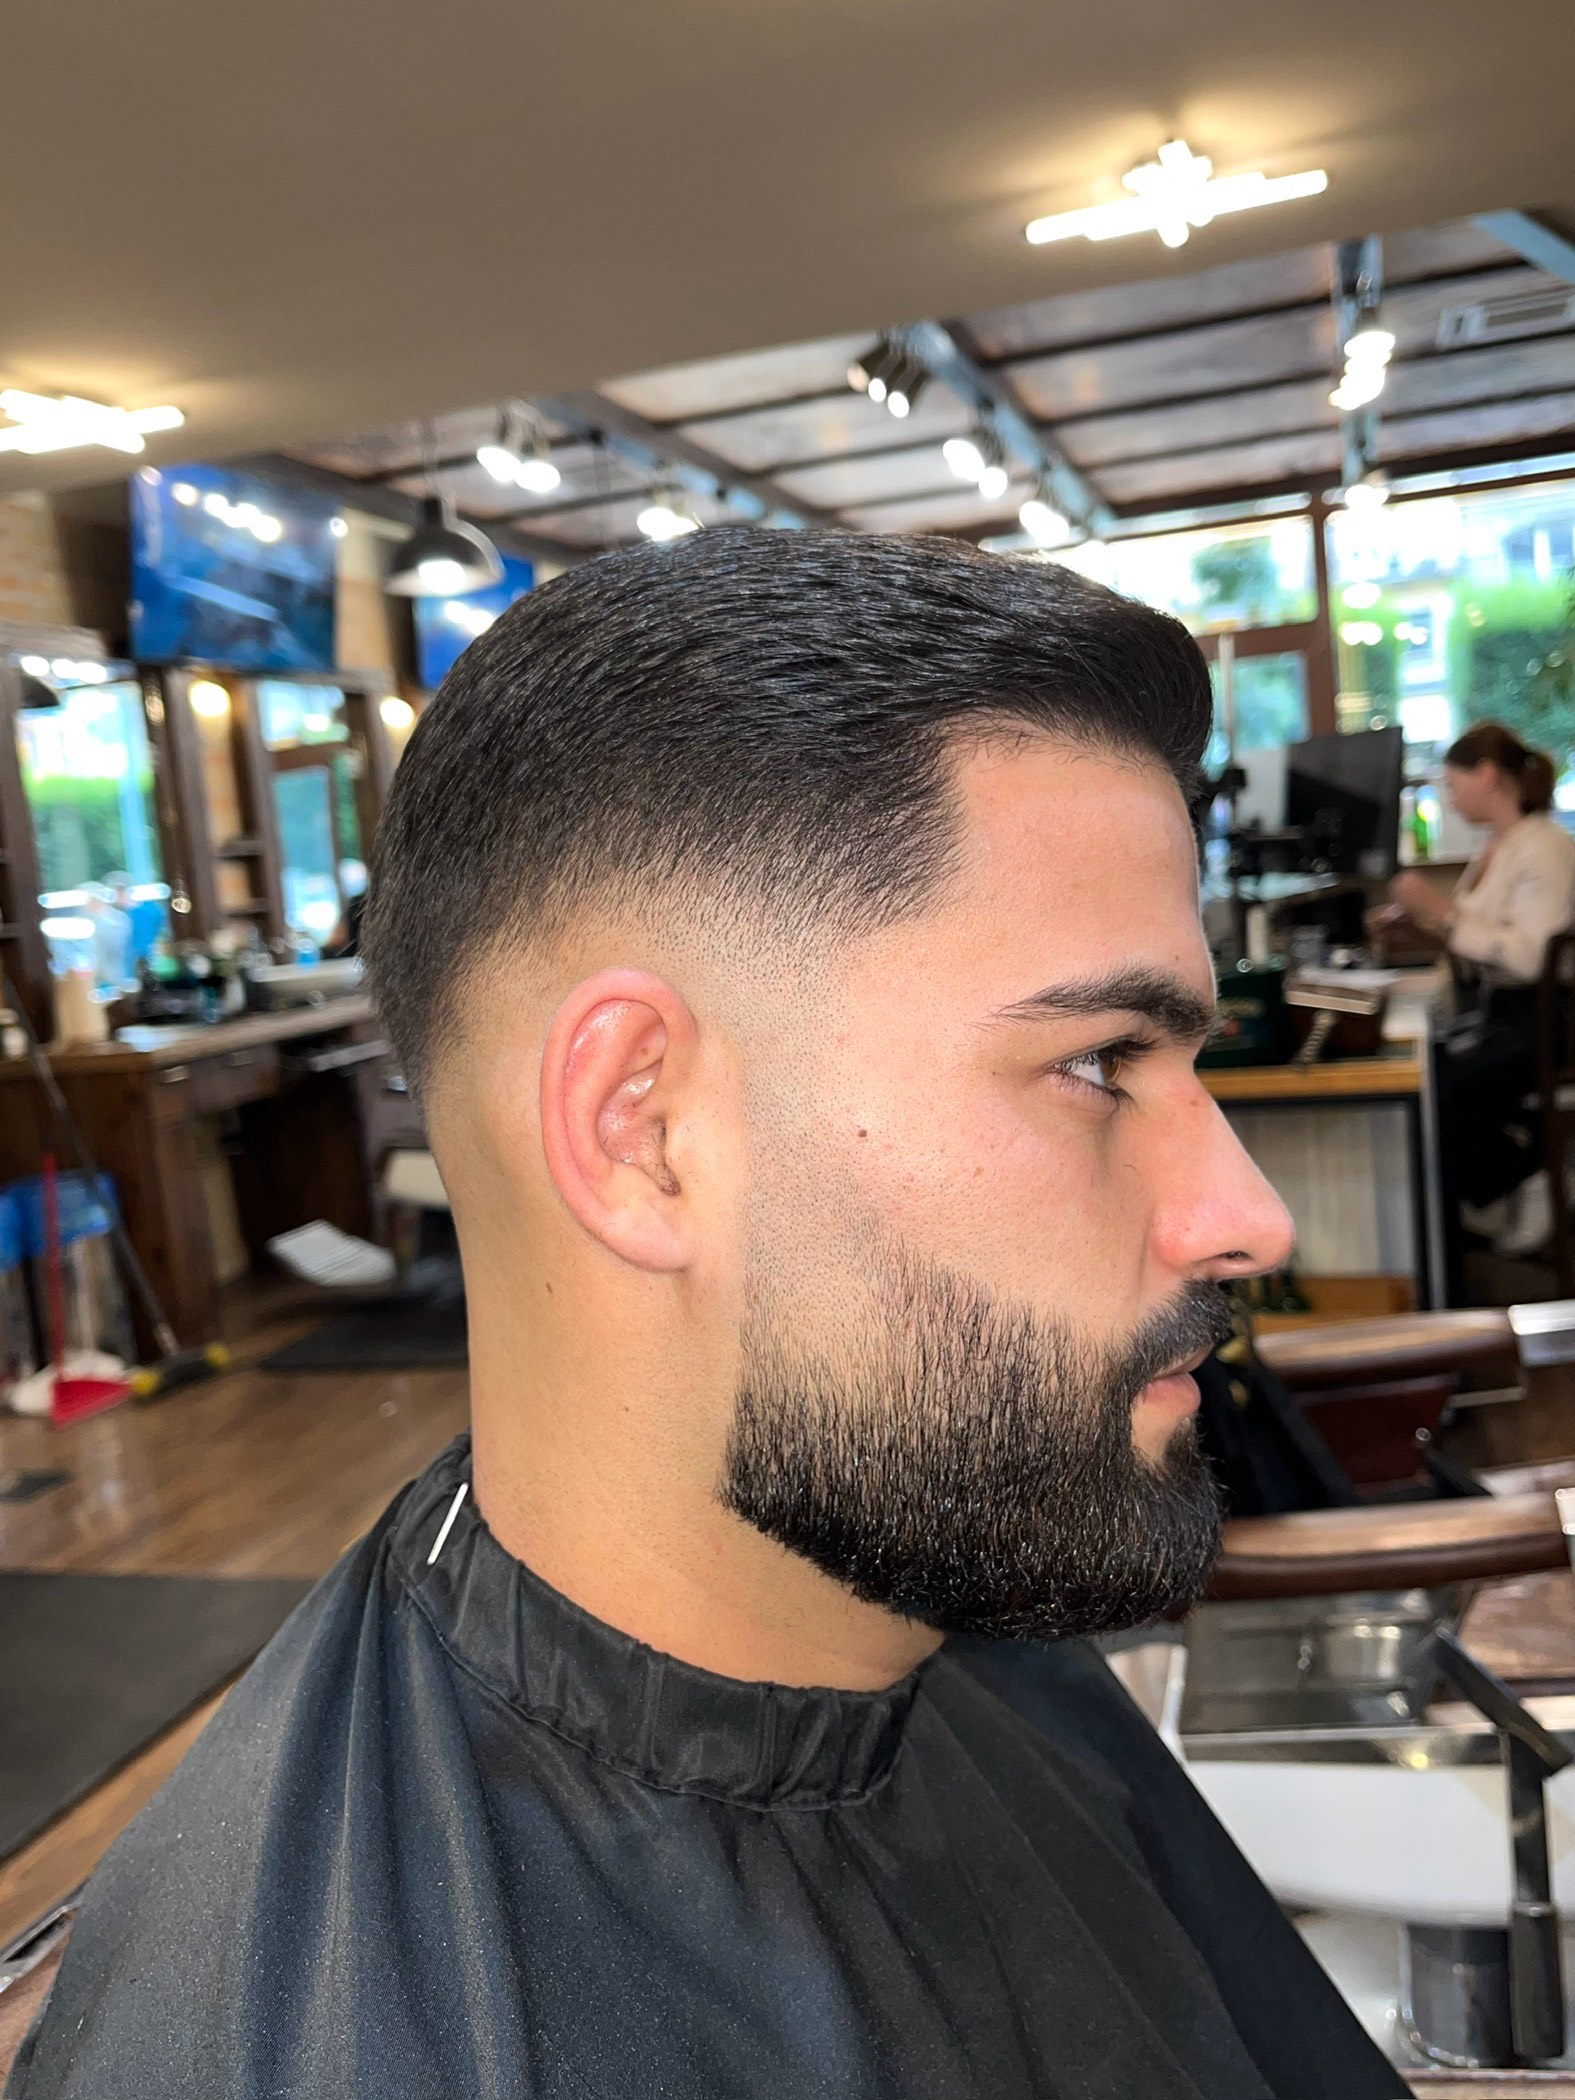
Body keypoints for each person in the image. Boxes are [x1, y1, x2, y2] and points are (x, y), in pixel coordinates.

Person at [8, 531, 1405, 2100]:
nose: (1242, 1216)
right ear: (643, 1132)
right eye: (1094, 1064)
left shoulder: (923, 1578)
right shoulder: (335, 2047)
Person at [1375, 721, 1575, 1259]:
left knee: (1441, 1087)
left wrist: (1440, 913)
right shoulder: (1498, 848)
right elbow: (1475, 938)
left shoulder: (1546, 847)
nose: (1450, 796)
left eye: (1453, 783)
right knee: (1432, 1068)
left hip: (1544, 1020)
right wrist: (1418, 929)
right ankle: (1484, 1199)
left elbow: (1529, 957)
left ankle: (1527, 1173)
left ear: (1486, 775)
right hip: (1502, 1010)